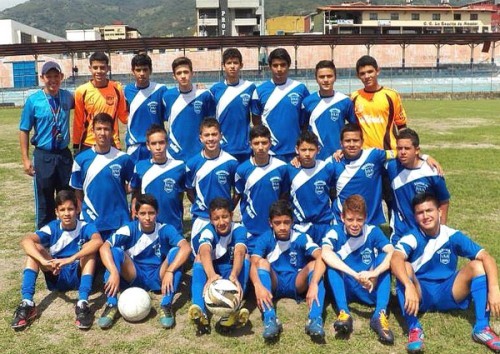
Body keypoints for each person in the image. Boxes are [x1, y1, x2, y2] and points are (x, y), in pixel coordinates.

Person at [391, 192, 500, 353]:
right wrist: (408, 285)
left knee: (478, 265)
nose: (425, 216)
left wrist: (494, 289)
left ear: (439, 211)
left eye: (429, 210)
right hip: (421, 294)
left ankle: (482, 328)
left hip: (450, 291)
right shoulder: (412, 237)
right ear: (415, 217)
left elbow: (487, 257)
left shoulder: (451, 235)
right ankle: (414, 329)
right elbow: (395, 259)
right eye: (420, 212)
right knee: (404, 266)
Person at [11, 190, 103, 330]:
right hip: (56, 272)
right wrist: (43, 261)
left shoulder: (85, 226)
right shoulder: (52, 227)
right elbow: (25, 241)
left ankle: (82, 303)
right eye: (62, 210)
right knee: (34, 250)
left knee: (89, 249)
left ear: (77, 209)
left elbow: (98, 241)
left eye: (70, 209)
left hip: (78, 272)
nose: (67, 213)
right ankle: (27, 302)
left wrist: (70, 259)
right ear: (56, 212)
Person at [98, 194, 191, 329]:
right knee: (115, 252)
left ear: (157, 213)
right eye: (143, 213)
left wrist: (170, 271)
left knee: (176, 252)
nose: (147, 217)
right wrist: (113, 271)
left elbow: (186, 248)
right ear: (136, 214)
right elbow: (104, 247)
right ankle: (112, 304)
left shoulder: (165, 229)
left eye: (151, 213)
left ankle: (166, 304)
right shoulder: (129, 229)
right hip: (134, 274)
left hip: (157, 275)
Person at [322, 195, 395, 344]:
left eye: (359, 220)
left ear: (365, 218)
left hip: (368, 286)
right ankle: (344, 313)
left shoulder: (372, 231)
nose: (355, 224)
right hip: (347, 285)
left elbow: (392, 251)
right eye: (350, 219)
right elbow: (325, 252)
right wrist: (354, 275)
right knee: (332, 264)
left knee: (385, 258)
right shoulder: (335, 231)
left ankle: (379, 315)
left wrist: (374, 273)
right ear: (342, 217)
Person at [250, 200, 326, 341]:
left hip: (296, 281)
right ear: (270, 223)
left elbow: (321, 255)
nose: (283, 227)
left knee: (315, 264)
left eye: (286, 222)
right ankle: (270, 319)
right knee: (261, 262)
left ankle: (315, 319)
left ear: (292, 221)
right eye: (277, 223)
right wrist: (257, 285)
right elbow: (253, 264)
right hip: (275, 281)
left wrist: (314, 283)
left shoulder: (300, 237)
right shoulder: (265, 238)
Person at [19, 61, 74, 229]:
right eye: (48, 76)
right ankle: (44, 240)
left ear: (61, 77)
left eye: (56, 76)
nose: (52, 80)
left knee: (66, 197)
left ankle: (67, 235)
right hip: (44, 155)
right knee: (45, 199)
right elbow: (24, 129)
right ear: (42, 78)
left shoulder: (68, 97)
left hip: (64, 155)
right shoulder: (33, 101)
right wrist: (25, 159)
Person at [189, 198, 250, 334]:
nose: (221, 222)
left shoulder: (239, 229)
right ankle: (200, 310)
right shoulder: (208, 230)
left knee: (246, 256)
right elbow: (204, 250)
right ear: (211, 220)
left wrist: (234, 275)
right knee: (199, 258)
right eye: (216, 218)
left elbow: (240, 251)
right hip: (214, 273)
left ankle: (233, 308)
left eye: (225, 217)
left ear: (231, 216)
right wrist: (211, 276)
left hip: (231, 273)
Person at [70, 113, 134, 241]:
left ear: (112, 132)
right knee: (90, 258)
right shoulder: (81, 160)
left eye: (106, 129)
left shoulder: (123, 158)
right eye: (99, 129)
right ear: (92, 131)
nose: (102, 133)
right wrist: (82, 214)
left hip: (118, 220)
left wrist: (119, 191)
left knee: (116, 257)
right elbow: (77, 190)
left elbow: (135, 184)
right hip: (92, 219)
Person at [386, 128, 450, 245]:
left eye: (407, 148)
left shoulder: (432, 172)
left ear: (417, 150)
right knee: (398, 261)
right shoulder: (391, 167)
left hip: (426, 228)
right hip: (401, 230)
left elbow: (444, 201)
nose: (403, 152)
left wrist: (442, 229)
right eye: (399, 148)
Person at [234, 125, 289, 253]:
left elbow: (284, 195)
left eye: (264, 143)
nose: (260, 147)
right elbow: (238, 195)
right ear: (250, 144)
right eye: (256, 143)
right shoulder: (242, 170)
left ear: (270, 143)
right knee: (251, 264)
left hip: (274, 228)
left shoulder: (281, 167)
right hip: (250, 228)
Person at [251, 48, 309, 162]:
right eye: (275, 65)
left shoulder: (300, 89)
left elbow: (306, 120)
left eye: (283, 65)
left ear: (289, 65)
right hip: (270, 152)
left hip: (295, 152)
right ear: (269, 66)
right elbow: (256, 122)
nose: (279, 69)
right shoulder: (259, 91)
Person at [185, 118, 238, 238]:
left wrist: (228, 210)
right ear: (201, 137)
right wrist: (201, 206)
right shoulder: (192, 164)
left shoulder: (231, 162)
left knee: (224, 254)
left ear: (221, 136)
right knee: (200, 255)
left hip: (223, 219)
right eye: (207, 135)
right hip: (201, 217)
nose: (210, 139)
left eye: (214, 134)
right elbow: (189, 191)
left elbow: (237, 192)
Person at [130, 124, 186, 234]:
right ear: (148, 145)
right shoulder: (140, 167)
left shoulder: (179, 167)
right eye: (153, 143)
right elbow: (136, 191)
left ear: (167, 143)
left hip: (173, 225)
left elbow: (182, 193)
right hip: (148, 225)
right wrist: (133, 209)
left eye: (161, 142)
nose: (158, 147)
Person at [73, 51, 128, 153]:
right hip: (89, 142)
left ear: (108, 68)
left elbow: (124, 117)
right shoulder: (81, 91)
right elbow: (78, 121)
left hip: (112, 141)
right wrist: (76, 145)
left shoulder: (117, 88)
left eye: (102, 67)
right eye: (95, 68)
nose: (99, 71)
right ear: (90, 69)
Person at [162, 56, 215, 161]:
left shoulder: (204, 95)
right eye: (179, 73)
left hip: (199, 152)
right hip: (174, 153)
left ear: (192, 73)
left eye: (186, 72)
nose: (183, 76)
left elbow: (212, 123)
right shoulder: (167, 96)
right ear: (174, 76)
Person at [287, 130, 335, 244]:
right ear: (296, 149)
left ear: (318, 149)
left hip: (325, 224)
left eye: (311, 149)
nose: (307, 154)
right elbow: (284, 197)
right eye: (303, 150)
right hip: (300, 226)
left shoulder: (327, 168)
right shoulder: (289, 170)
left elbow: (333, 193)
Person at [351, 55, 407, 152]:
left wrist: (406, 148)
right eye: (362, 73)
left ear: (377, 71)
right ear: (358, 76)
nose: (367, 76)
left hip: (388, 152)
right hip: (364, 153)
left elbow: (401, 126)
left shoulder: (391, 95)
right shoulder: (354, 97)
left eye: (370, 72)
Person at [302, 60, 356, 160]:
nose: (326, 80)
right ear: (316, 79)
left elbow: (354, 128)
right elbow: (303, 129)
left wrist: (345, 148)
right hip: (314, 157)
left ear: (335, 77)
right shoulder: (307, 102)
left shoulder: (344, 101)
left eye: (329, 76)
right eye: (321, 77)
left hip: (339, 156)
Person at [210, 48, 256, 163]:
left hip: (244, 148)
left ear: (241, 65)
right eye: (229, 63)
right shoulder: (215, 90)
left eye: (235, 63)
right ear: (223, 66)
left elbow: (256, 117)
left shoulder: (249, 87)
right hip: (222, 147)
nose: (232, 66)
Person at [124, 54, 168, 164]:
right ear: (133, 71)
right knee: (133, 179)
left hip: (156, 144)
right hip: (135, 145)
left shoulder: (160, 90)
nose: (142, 73)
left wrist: (196, 88)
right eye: (138, 70)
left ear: (150, 70)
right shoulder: (127, 90)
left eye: (145, 70)